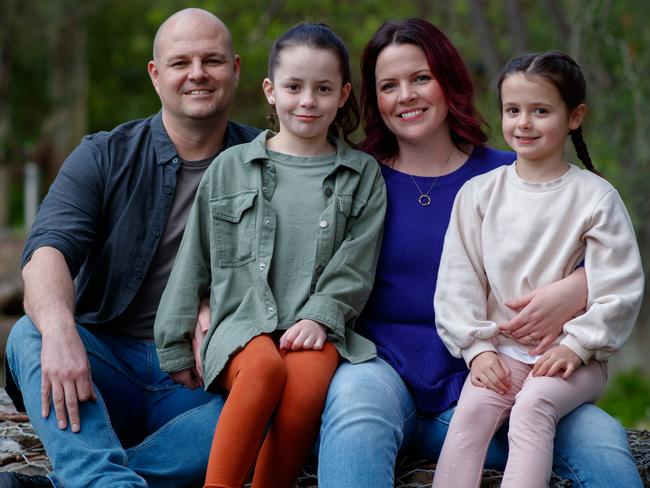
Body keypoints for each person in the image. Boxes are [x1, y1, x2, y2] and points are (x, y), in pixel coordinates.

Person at [316, 18, 644, 487]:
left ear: (449, 81)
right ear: (374, 98)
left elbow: (606, 258)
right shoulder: (357, 179)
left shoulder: (515, 171)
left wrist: (580, 286)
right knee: (355, 413)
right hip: (387, 367)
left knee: (604, 447)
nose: (406, 95)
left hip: (519, 367)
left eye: (421, 78)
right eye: (389, 85)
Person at [2, 8, 259, 488]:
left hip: (202, 379)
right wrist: (60, 332)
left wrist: (223, 309)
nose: (198, 74)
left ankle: (90, 479)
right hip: (105, 370)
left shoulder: (271, 163)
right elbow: (46, 254)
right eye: (181, 62)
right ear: (156, 75)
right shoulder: (103, 154)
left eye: (213, 60)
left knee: (278, 396)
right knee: (28, 334)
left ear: (236, 69)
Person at [154, 22, 386, 488]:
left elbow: (356, 266)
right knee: (261, 370)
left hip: (315, 329)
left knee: (304, 385)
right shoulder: (230, 168)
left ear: (342, 95)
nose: (307, 101)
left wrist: (320, 318)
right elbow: (193, 259)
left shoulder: (361, 175)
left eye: (322, 89)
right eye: (294, 87)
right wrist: (174, 340)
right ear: (270, 91)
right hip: (241, 323)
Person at [431, 51, 644, 488]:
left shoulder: (595, 197)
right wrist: (478, 349)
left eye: (540, 111)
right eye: (513, 110)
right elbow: (458, 281)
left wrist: (578, 346)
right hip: (500, 353)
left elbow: (619, 287)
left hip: (571, 358)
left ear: (574, 116)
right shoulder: (480, 194)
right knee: (470, 414)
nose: (523, 123)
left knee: (533, 408)